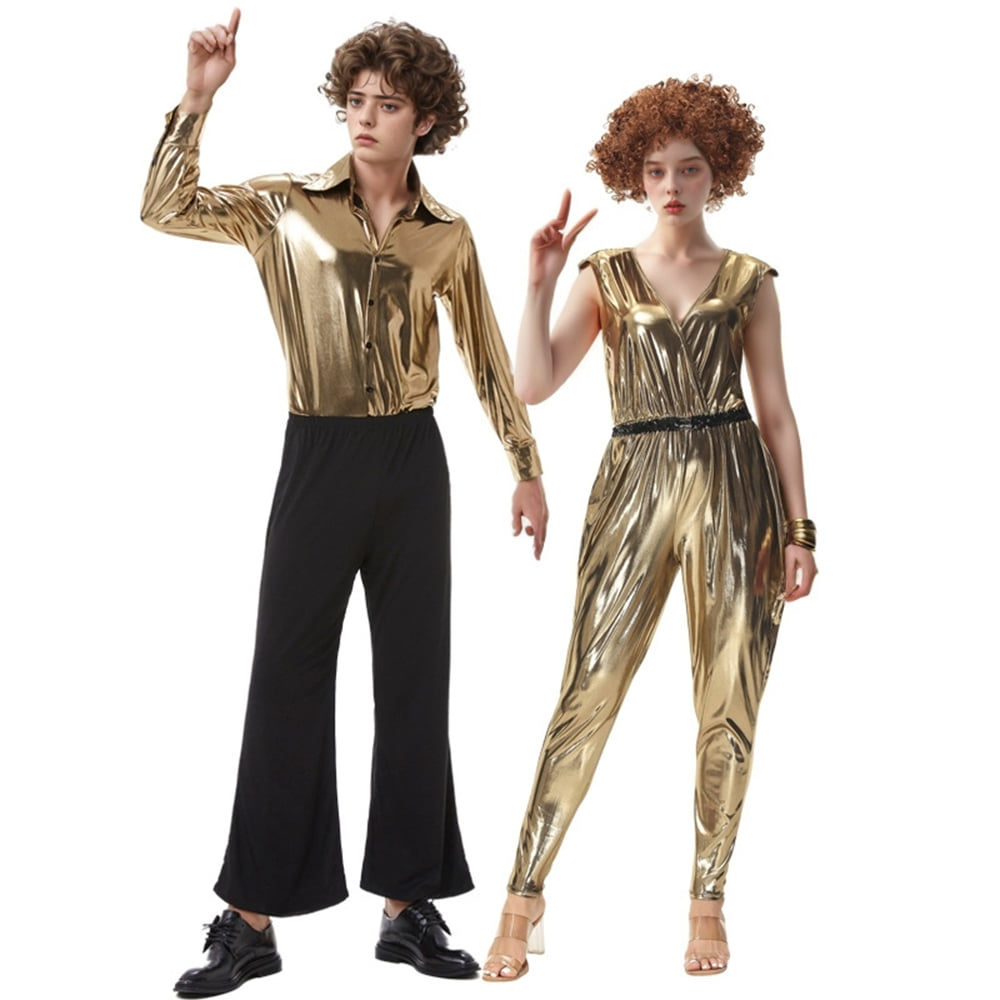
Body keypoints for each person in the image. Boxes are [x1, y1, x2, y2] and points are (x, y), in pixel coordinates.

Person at [141, 9, 548, 995]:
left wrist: (525, 464)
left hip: (412, 461)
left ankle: (409, 910)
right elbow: (164, 207)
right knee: (285, 678)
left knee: (414, 682)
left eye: (389, 104)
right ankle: (250, 924)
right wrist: (197, 100)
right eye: (356, 100)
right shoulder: (283, 207)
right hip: (317, 454)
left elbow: (486, 353)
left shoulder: (446, 235)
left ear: (426, 119)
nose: (365, 117)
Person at [481, 76, 816, 981]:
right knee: (588, 690)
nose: (673, 185)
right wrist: (538, 283)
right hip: (633, 484)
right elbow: (534, 382)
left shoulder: (749, 280)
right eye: (657, 169)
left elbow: (777, 413)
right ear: (634, 174)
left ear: (720, 172)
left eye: (691, 167)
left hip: (735, 486)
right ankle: (522, 898)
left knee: (729, 697)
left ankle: (708, 901)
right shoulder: (606, 275)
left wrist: (800, 530)